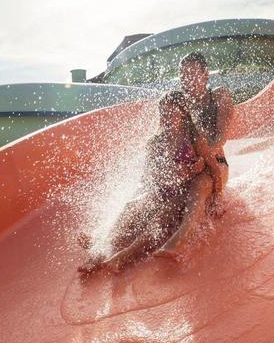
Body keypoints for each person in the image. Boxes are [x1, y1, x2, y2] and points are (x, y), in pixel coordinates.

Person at [78, 92, 207, 274]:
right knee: (132, 207)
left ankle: (125, 255)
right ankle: (100, 249)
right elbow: (147, 177)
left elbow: (209, 167)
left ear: (184, 113)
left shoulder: (194, 139)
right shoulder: (156, 142)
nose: (167, 118)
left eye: (172, 113)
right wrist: (164, 178)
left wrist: (200, 169)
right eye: (164, 113)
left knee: (160, 217)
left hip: (184, 194)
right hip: (162, 190)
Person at [154, 52, 233, 258]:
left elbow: (221, 137)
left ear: (205, 75)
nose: (186, 80)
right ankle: (116, 240)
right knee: (160, 200)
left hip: (215, 165)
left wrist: (202, 153)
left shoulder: (219, 96)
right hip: (189, 168)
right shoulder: (179, 104)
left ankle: (179, 241)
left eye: (191, 74)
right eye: (182, 76)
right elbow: (166, 139)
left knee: (200, 183)